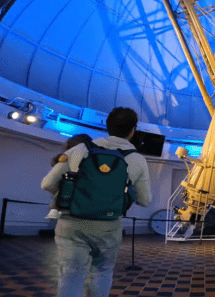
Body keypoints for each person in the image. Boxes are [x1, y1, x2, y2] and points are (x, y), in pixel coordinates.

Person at [41, 107, 151, 297]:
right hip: (108, 227)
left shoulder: (80, 149)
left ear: (107, 126)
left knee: (70, 275)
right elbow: (145, 200)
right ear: (133, 130)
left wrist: (68, 197)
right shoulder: (137, 159)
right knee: (102, 272)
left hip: (71, 223)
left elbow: (47, 183)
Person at [45, 134, 93, 220]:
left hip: (66, 209)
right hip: (90, 211)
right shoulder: (95, 163)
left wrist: (59, 193)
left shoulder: (65, 161)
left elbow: (48, 185)